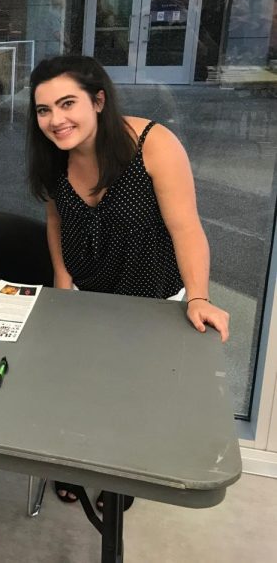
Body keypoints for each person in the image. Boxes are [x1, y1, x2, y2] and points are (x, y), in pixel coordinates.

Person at [25, 55, 230, 509]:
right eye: (43, 110)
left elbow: (187, 229)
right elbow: (56, 217)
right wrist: (62, 278)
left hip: (150, 298)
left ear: (98, 100)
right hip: (85, 293)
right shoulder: (54, 155)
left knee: (132, 400)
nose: (56, 120)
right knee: (78, 386)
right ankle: (73, 467)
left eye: (67, 104)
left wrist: (198, 296)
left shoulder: (152, 144)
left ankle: (119, 478)